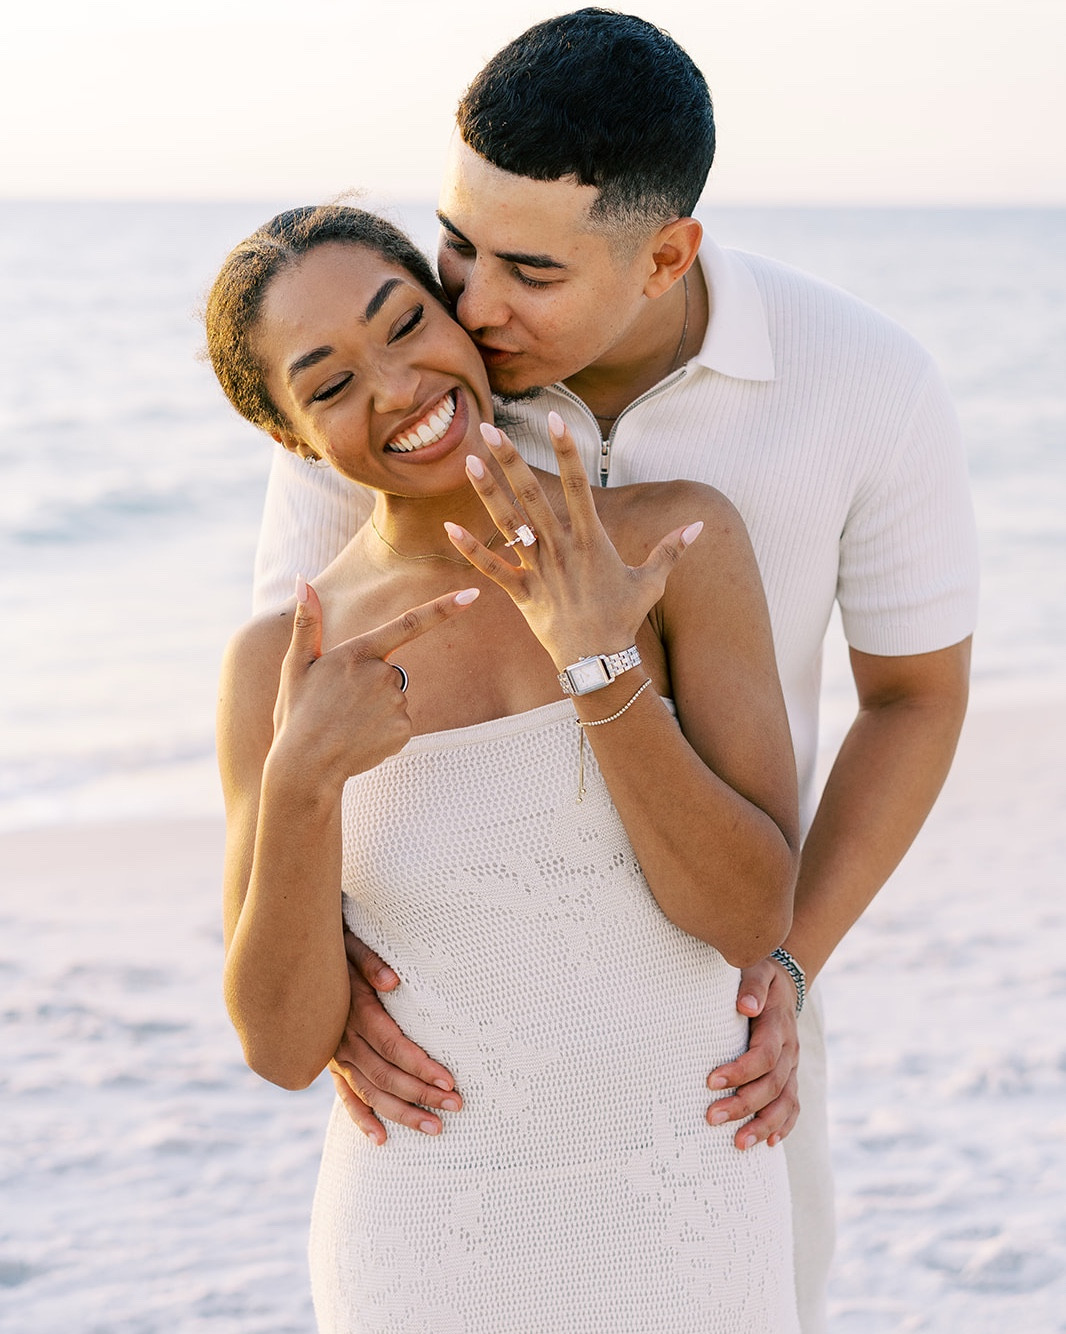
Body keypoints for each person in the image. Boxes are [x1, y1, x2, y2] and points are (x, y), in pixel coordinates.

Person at [250, 12, 980, 1330]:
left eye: (525, 270)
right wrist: (335, 981)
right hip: (448, 1114)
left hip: (716, 1044)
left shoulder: (862, 379)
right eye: (457, 241)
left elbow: (913, 696)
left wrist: (786, 969)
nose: (471, 304)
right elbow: (293, 717)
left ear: (665, 254)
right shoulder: (416, 382)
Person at [208, 203, 802, 1330]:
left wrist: (597, 658)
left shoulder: (674, 542)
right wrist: (300, 785)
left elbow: (745, 913)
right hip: (429, 1234)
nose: (395, 387)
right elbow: (284, 1046)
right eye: (328, 385)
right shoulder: (280, 666)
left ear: (459, 318)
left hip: (691, 1215)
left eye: (404, 325)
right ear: (289, 437)